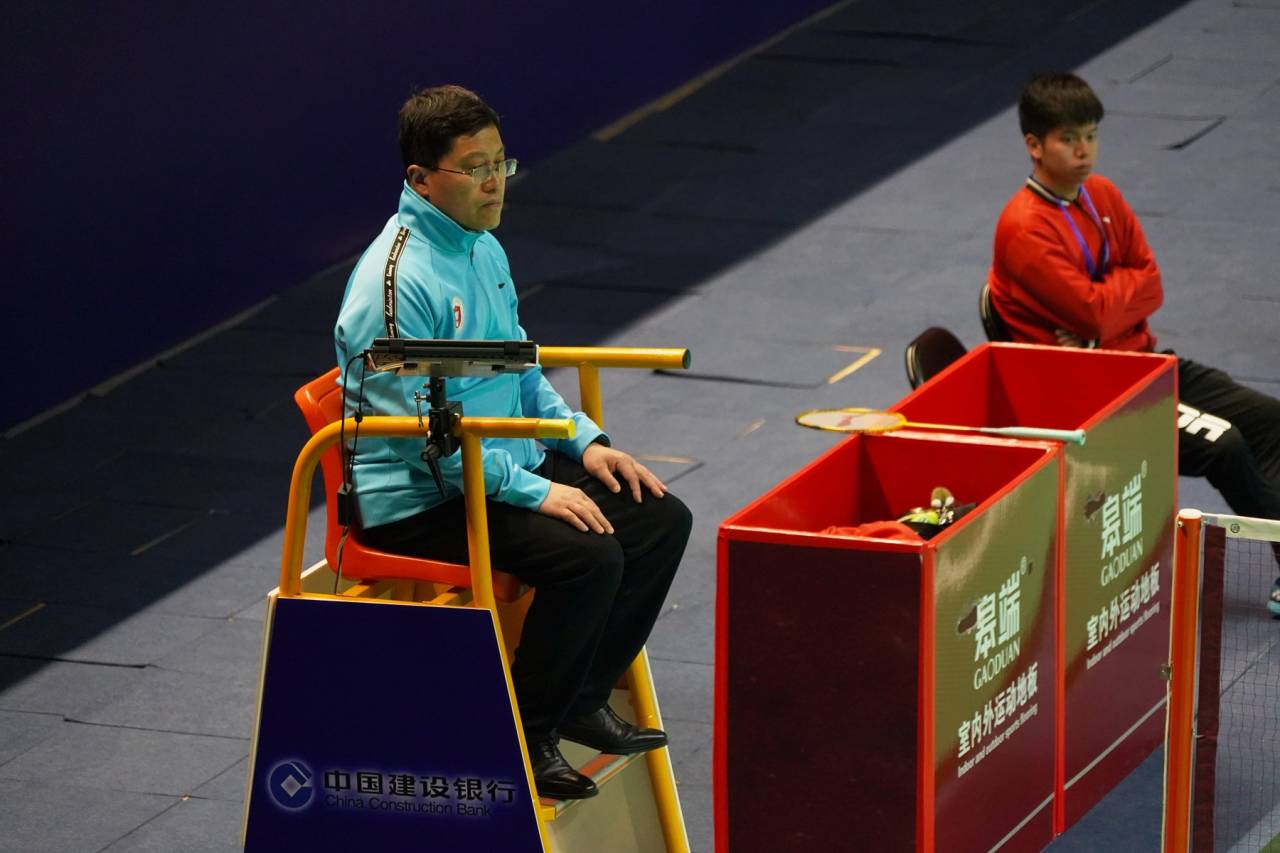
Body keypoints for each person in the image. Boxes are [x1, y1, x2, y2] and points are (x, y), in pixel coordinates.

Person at [334, 85, 692, 798]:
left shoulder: (483, 247)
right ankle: (525, 737)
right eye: (476, 168)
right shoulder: (395, 285)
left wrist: (584, 441)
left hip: (496, 462)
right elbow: (424, 445)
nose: (495, 181)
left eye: (501, 162)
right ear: (421, 179)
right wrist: (535, 490)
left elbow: (520, 367)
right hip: (420, 497)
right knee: (588, 557)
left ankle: (582, 699)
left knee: (657, 519)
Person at [987, 71, 1280, 615]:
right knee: (1226, 445)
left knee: (1268, 418)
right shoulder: (1025, 229)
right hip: (1092, 395)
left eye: (1091, 135)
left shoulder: (1101, 195)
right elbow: (1096, 313)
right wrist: (1115, 303)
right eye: (1068, 139)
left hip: (1142, 363)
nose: (1084, 150)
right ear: (1035, 145)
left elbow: (1150, 283)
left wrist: (1107, 309)